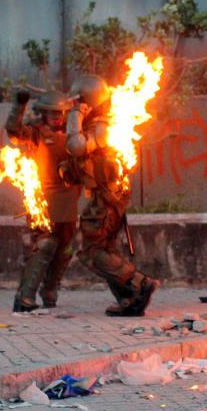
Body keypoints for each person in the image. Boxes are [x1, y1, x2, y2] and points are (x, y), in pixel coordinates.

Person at [64, 76, 159, 317]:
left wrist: (74, 115)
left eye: (80, 101)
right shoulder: (98, 123)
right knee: (105, 248)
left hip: (106, 198)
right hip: (106, 195)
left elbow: (76, 147)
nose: (76, 104)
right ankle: (129, 299)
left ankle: (140, 282)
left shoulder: (102, 126)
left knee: (92, 252)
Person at [7, 89, 82, 312]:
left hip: (68, 200)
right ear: (43, 113)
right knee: (44, 245)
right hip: (43, 199)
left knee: (65, 249)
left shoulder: (75, 134)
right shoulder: (37, 132)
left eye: (61, 113)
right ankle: (25, 296)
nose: (57, 117)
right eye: (52, 113)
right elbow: (13, 131)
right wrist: (19, 105)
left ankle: (50, 291)